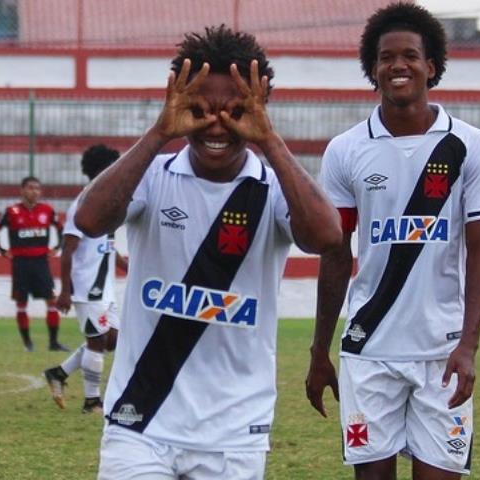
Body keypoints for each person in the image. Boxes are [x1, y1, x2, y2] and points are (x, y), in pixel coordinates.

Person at [74, 25, 341, 480]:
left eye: (235, 110)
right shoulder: (153, 175)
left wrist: (270, 141)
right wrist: (159, 133)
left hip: (234, 432)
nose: (217, 124)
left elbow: (327, 237)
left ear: (259, 109)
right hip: (140, 423)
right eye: (200, 109)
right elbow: (90, 219)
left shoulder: (275, 187)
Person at [305, 4, 480, 479]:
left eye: (410, 55)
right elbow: (336, 254)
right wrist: (319, 350)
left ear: (431, 65)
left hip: (442, 352)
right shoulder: (347, 150)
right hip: (369, 350)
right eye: (386, 57)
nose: (398, 65)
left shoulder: (469, 145)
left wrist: (469, 347)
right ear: (371, 69)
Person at [43, 144, 129, 413]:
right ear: (103, 170)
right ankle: (92, 401)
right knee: (96, 342)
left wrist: (123, 262)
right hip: (87, 287)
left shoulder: (106, 201)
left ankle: (59, 373)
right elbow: (68, 250)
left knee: (111, 340)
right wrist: (65, 291)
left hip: (104, 288)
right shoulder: (81, 204)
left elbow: (105, 242)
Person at [0, 176, 67, 352]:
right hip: (20, 263)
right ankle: (28, 344)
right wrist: (2, 250)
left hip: (41, 262)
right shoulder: (11, 211)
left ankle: (53, 342)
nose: (35, 192)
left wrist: (57, 247)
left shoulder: (47, 210)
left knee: (51, 300)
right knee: (21, 302)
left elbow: (62, 229)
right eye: (31, 188)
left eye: (37, 188)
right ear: (22, 190)